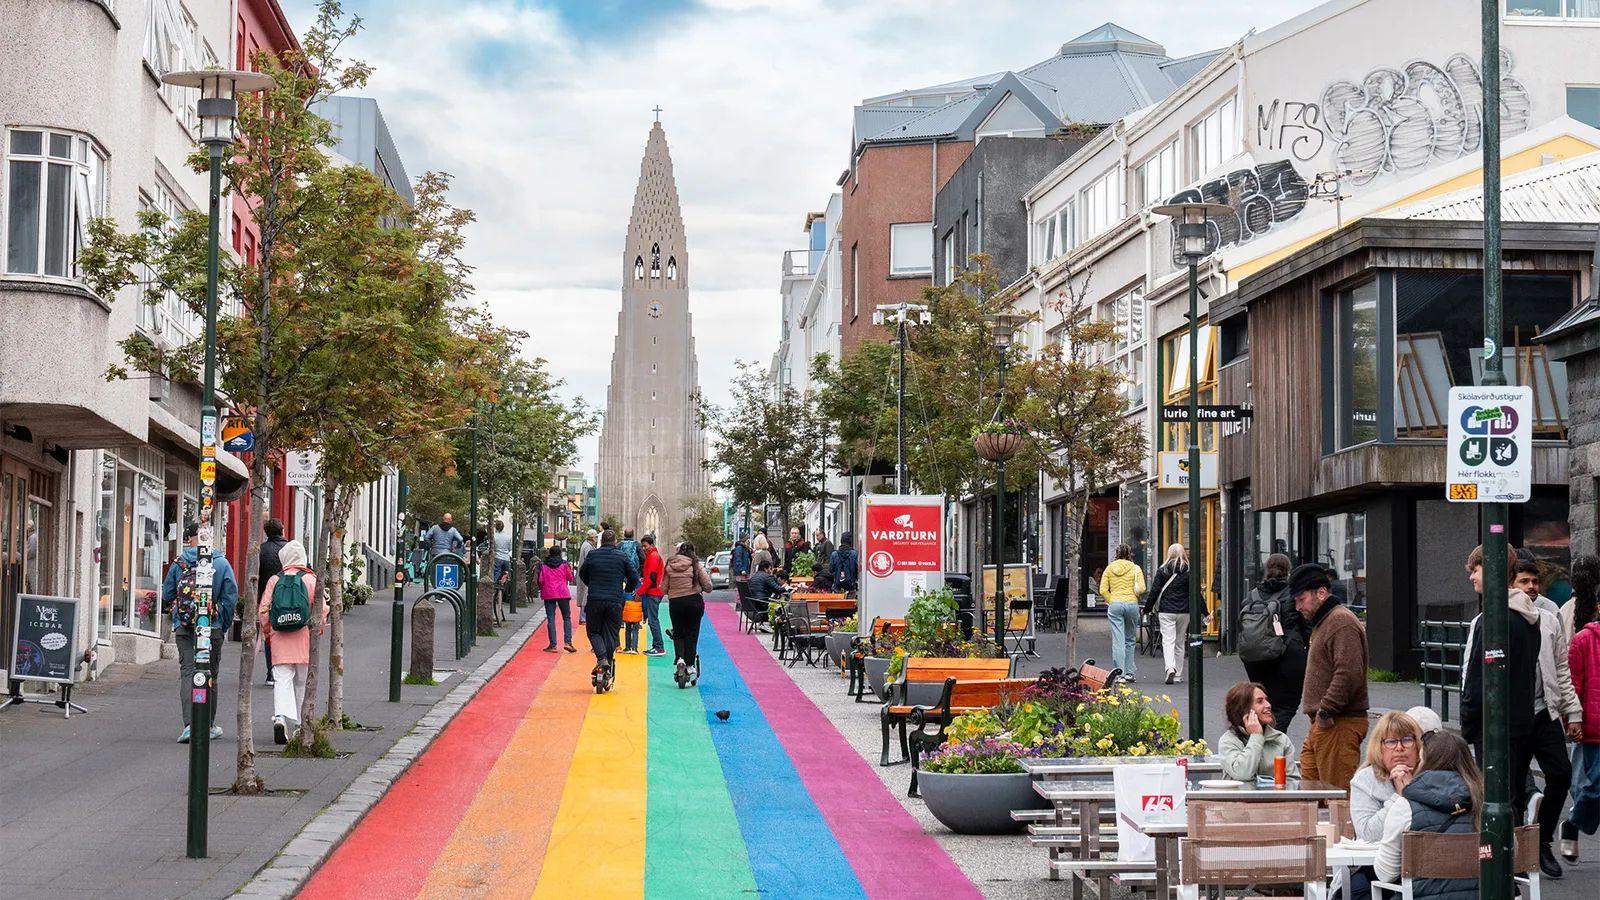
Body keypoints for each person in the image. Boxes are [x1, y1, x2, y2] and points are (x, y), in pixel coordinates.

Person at [1461, 543, 1579, 877]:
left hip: (1527, 715)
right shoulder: (1502, 620)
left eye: (1476, 570)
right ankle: (1516, 860)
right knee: (1508, 792)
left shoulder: (1529, 619)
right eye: (1524, 580)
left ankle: (1525, 853)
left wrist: (1572, 710)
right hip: (1516, 718)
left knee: (1548, 778)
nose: (1471, 577)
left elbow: (1559, 668)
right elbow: (1473, 670)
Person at [1374, 731, 1483, 898]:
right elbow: (1510, 855)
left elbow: (1385, 874)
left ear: (1424, 762)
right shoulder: (1489, 803)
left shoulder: (1405, 806)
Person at [1291, 562, 1368, 790]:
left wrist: (1326, 710)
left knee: (1336, 797)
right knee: (1312, 795)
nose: (1298, 607)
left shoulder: (1339, 621)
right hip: (1326, 722)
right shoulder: (1325, 621)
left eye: (1301, 599)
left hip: (1338, 722)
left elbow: (1348, 673)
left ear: (1322, 593)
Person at [162, 522, 238, 744]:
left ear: (190, 539)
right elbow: (230, 597)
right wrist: (222, 625)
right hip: (212, 627)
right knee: (210, 675)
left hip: (185, 627)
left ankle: (189, 726)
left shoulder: (180, 563)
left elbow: (167, 594)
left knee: (188, 673)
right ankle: (207, 725)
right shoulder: (221, 563)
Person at [257, 540, 326, 745]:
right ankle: (299, 724)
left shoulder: (274, 580)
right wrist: (318, 630)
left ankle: (280, 717)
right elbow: (322, 609)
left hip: (280, 638)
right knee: (302, 682)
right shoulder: (311, 579)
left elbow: (264, 610)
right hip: (304, 637)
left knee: (282, 680)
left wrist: (268, 632)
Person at [1239, 552, 1307, 732]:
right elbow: (1306, 625)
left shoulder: (1251, 596)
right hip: (1288, 655)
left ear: (1266, 570)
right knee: (1285, 707)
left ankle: (1262, 738)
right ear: (1288, 571)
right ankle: (1272, 740)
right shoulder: (1293, 594)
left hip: (1255, 658)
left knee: (1263, 705)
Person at [1350, 711, 1426, 842]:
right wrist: (1400, 797)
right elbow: (1367, 835)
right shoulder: (1364, 780)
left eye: (1407, 740)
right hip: (1376, 854)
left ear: (1418, 745)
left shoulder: (1430, 775)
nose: (1399, 748)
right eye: (1391, 742)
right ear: (1379, 747)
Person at [577, 530, 639, 689]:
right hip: (614, 601)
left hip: (595, 600)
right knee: (611, 633)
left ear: (601, 541)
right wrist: (626, 590)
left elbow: (582, 573)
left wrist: (593, 584)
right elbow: (634, 577)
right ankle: (607, 664)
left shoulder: (593, 555)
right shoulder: (621, 556)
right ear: (615, 541)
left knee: (593, 632)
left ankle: (601, 659)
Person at [1561, 605, 1600, 860]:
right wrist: (1572, 720)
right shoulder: (1584, 639)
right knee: (1597, 786)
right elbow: (1573, 684)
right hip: (1595, 728)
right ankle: (1573, 823)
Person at [1217, 681, 1298, 783]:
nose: (1268, 705)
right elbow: (1242, 774)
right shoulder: (1228, 741)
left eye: (1266, 700)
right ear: (1243, 709)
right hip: (1239, 794)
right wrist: (1256, 737)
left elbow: (1293, 780)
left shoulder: (1280, 739)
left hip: (1275, 794)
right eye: (1260, 701)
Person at [665, 540, 714, 686]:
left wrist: (674, 590)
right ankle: (690, 665)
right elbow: (708, 586)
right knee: (692, 633)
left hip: (676, 603)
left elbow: (663, 588)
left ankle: (680, 658)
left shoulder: (670, 565)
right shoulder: (696, 565)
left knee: (678, 632)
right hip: (694, 603)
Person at [1099, 544, 1146, 682]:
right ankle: (1130, 672)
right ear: (1129, 554)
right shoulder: (1135, 568)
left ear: (1116, 554)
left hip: (1115, 604)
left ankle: (1120, 673)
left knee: (1118, 640)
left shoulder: (1109, 568)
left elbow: (1103, 590)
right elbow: (1142, 588)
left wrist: (1111, 599)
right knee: (1130, 639)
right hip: (1131, 604)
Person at [1149, 544, 1190, 686]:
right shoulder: (1188, 571)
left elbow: (1155, 591)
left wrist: (1147, 608)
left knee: (1168, 640)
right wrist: (1205, 612)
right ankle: (1178, 674)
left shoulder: (1163, 570)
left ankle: (1170, 668)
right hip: (1184, 611)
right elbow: (1195, 593)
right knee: (1180, 642)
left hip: (1166, 610)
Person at [258, 518, 289, 687]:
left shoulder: (262, 550)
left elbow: (256, 575)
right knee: (287, 633)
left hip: (267, 599)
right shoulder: (290, 549)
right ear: (282, 530)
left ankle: (271, 672)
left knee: (269, 636)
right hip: (287, 598)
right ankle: (284, 669)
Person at [538, 545, 577, 653]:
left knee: (551, 619)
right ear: (560, 553)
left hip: (549, 593)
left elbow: (540, 580)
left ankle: (553, 645)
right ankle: (568, 642)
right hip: (562, 593)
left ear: (549, 553)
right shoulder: (564, 564)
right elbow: (570, 577)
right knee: (566, 617)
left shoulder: (544, 565)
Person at [638, 534, 667, 656]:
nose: (643, 549)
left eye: (645, 546)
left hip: (653, 592)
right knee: (653, 619)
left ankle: (659, 647)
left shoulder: (653, 557)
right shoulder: (653, 556)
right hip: (655, 591)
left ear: (651, 545)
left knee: (653, 620)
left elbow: (651, 577)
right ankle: (657, 646)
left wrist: (640, 592)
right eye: (642, 546)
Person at [575, 529, 598, 624]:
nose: (597, 538)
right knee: (585, 595)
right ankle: (583, 617)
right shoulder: (588, 546)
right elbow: (589, 561)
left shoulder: (586, 545)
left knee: (584, 594)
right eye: (596, 537)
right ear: (592, 537)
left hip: (584, 574)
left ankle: (584, 617)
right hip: (586, 575)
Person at [491, 519, 513, 592]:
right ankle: (505, 588)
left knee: (496, 573)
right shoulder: (508, 537)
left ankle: (494, 589)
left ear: (496, 527)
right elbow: (510, 548)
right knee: (507, 573)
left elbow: (492, 548)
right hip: (506, 558)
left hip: (497, 557)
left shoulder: (494, 536)